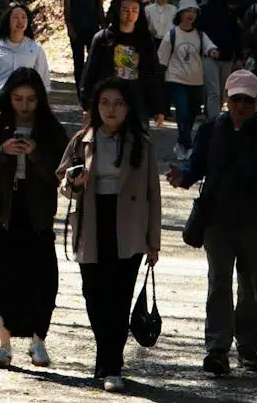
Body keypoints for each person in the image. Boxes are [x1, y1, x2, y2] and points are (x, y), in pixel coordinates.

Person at [167, 69, 257, 375]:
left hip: (255, 222)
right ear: (226, 97)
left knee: (250, 289)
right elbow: (196, 165)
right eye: (235, 99)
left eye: (247, 101)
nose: (240, 106)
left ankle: (248, 348)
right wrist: (183, 176)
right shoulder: (212, 128)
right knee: (218, 286)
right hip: (217, 222)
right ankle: (217, 349)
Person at [56, 78, 162, 392]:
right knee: (93, 294)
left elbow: (153, 194)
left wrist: (153, 241)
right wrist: (73, 184)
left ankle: (110, 366)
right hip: (92, 221)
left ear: (128, 108)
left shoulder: (141, 145)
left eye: (117, 103)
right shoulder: (81, 140)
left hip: (129, 226)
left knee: (119, 297)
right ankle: (107, 356)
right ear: (95, 107)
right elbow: (63, 180)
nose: (111, 109)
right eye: (104, 103)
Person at [0, 67, 66, 369]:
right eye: (18, 99)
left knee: (41, 278)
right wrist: (2, 152)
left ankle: (38, 341)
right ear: (9, 97)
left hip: (37, 212)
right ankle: (4, 346)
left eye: (31, 99)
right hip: (0, 211)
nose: (24, 105)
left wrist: (35, 155)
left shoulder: (49, 128)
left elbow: (61, 171)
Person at [79, 0, 167, 127]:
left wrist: (159, 108)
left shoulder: (145, 40)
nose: (130, 14)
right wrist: (87, 105)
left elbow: (154, 73)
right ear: (118, 11)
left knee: (136, 144)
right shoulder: (103, 39)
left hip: (137, 102)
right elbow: (90, 72)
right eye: (125, 10)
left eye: (134, 10)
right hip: (109, 102)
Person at [0, 3, 52, 134]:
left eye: (24, 17)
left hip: (25, 104)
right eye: (15, 17)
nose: (20, 21)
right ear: (7, 21)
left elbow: (43, 82)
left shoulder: (36, 49)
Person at [160, 0, 218, 161]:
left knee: (192, 114)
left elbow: (209, 46)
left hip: (195, 80)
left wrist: (213, 51)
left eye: (193, 11)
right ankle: (190, 146)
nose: (190, 14)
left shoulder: (200, 35)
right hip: (176, 79)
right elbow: (162, 60)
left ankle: (181, 144)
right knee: (182, 112)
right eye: (187, 11)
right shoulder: (171, 34)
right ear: (180, 14)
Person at [196, 0, 240, 119]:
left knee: (222, 91)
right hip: (209, 55)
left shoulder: (230, 10)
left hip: (227, 56)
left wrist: (238, 55)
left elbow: (236, 34)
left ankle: (214, 116)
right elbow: (199, 32)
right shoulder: (203, 9)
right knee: (213, 90)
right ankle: (213, 122)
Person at [63, 0, 107, 80]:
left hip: (93, 26)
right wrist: (69, 25)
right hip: (77, 26)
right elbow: (67, 4)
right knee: (78, 60)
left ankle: (91, 86)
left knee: (94, 58)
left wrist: (103, 23)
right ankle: (80, 88)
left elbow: (99, 4)